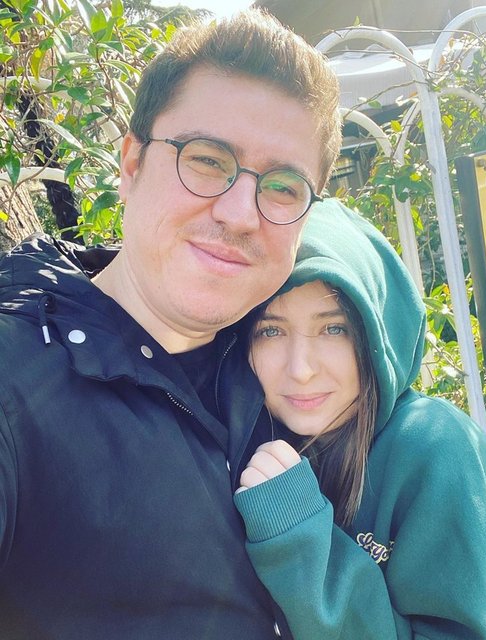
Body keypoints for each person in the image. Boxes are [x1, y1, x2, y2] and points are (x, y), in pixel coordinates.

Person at [0, 10, 341, 639]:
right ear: (131, 165)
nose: (240, 214)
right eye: (208, 160)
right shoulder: (15, 382)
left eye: (284, 187)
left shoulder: (298, 377)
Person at [234, 197, 486, 640]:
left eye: (334, 328)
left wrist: (299, 542)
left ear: (377, 330)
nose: (300, 369)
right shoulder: (244, 443)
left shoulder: (435, 448)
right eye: (270, 331)